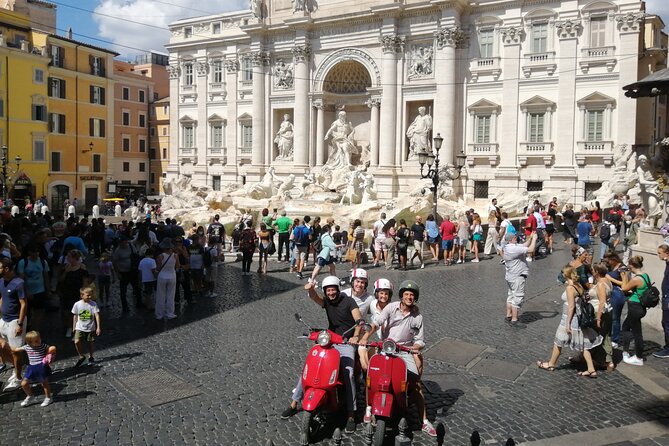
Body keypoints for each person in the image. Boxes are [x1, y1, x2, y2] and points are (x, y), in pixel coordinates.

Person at [281, 277, 363, 434]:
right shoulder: (327, 301)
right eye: (328, 290)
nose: (331, 293)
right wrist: (310, 289)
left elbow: (358, 320)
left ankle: (351, 414)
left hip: (346, 342)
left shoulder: (349, 302)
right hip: (329, 340)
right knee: (309, 367)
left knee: (349, 373)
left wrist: (355, 336)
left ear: (338, 289)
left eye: (333, 289)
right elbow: (314, 298)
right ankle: (294, 403)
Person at [359, 280, 437, 437]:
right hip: (387, 348)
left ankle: (424, 421)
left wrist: (417, 347)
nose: (409, 297)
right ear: (401, 296)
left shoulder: (417, 317)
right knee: (372, 378)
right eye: (406, 294)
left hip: (404, 351)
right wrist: (366, 336)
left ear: (415, 298)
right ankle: (369, 408)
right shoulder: (391, 307)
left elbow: (420, 339)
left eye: (412, 295)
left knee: (415, 384)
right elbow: (376, 322)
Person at [536, 266, 603, 377]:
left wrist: (567, 324)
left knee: (558, 341)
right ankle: (591, 369)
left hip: (570, 319)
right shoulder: (579, 285)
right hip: (578, 318)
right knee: (584, 345)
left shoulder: (570, 288)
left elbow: (571, 306)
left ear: (565, 275)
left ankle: (551, 364)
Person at [0, 257, 27, 391]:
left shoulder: (18, 283)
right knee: (3, 347)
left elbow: (23, 304)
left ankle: (18, 377)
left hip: (15, 320)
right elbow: (1, 298)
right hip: (3, 320)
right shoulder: (1, 281)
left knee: (16, 351)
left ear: (6, 269)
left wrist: (20, 324)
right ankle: (18, 368)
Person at [503, 231, 537, 328]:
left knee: (511, 296)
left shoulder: (509, 247)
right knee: (517, 298)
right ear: (510, 240)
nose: (516, 238)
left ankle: (508, 315)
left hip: (510, 276)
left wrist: (530, 238)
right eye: (514, 237)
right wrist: (534, 239)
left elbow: (523, 245)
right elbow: (530, 249)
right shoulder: (513, 249)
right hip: (517, 277)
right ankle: (514, 320)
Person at [620, 256, 650, 366]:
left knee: (637, 333)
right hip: (640, 307)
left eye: (629, 266)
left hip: (635, 308)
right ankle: (627, 351)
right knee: (626, 327)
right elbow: (639, 290)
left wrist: (624, 276)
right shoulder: (645, 276)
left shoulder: (636, 279)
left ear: (632, 266)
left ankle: (638, 357)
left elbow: (624, 288)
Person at [16, 330, 55, 407]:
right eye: (36, 341)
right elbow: (16, 349)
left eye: (39, 339)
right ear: (29, 342)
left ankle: (48, 397)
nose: (39, 341)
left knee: (44, 383)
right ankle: (30, 396)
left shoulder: (43, 345)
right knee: (24, 383)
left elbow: (51, 348)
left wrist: (50, 353)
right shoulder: (27, 347)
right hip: (32, 367)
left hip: (41, 366)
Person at [16, 244, 49, 332]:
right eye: (33, 252)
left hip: (40, 291)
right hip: (28, 292)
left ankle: (36, 330)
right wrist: (26, 291)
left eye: (37, 252)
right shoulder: (23, 262)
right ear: (29, 252)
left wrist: (48, 290)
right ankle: (27, 328)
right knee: (27, 312)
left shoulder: (43, 262)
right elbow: (21, 279)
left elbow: (46, 276)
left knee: (39, 311)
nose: (36, 254)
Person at [590, 262, 614, 371]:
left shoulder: (600, 284)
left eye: (593, 270)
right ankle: (607, 360)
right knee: (606, 335)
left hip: (598, 311)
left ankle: (606, 360)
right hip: (608, 311)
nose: (592, 272)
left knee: (596, 336)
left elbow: (602, 301)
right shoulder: (608, 281)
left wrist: (598, 317)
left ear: (597, 272)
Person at [59, 249, 87, 338]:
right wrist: (66, 271)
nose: (67, 258)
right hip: (67, 292)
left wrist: (83, 294)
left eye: (69, 257)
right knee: (68, 312)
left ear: (74, 258)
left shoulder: (82, 267)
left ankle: (78, 329)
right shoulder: (67, 267)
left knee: (78, 312)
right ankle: (70, 327)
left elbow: (85, 282)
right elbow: (61, 280)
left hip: (77, 292)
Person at [71, 286, 101, 367]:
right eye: (88, 295)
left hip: (90, 327)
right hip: (79, 327)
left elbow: (97, 315)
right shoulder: (77, 304)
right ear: (82, 295)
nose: (89, 297)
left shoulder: (93, 304)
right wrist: (74, 326)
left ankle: (91, 357)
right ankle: (81, 356)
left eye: (90, 295)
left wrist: (98, 327)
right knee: (76, 341)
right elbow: (75, 315)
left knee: (90, 343)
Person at [654, 244, 669, 358]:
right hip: (666, 297)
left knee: (667, 323)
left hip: (668, 299)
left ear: (666, 253)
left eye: (660, 253)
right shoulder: (667, 263)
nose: (658, 255)